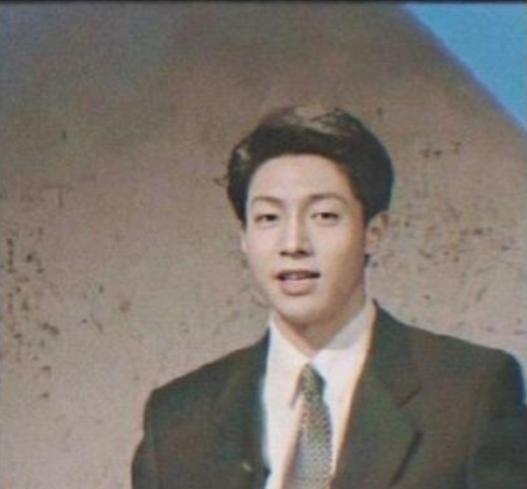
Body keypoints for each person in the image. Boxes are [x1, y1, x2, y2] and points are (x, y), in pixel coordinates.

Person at [132, 106, 527, 489]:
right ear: (245, 239)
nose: (293, 244)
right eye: (268, 218)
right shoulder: (177, 419)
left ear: (373, 232)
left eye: (323, 216)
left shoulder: (469, 394)